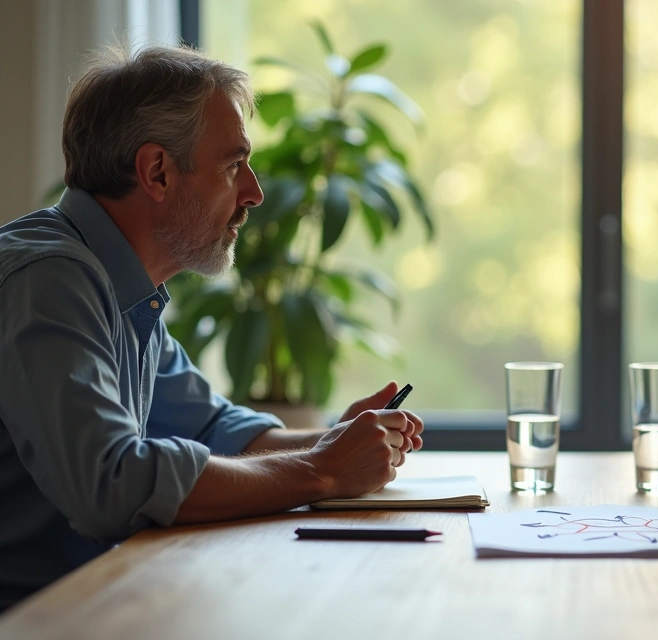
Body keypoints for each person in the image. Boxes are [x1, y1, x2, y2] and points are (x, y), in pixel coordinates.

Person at [0, 44, 424, 612]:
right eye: (233, 166)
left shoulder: (121, 286)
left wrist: (332, 442)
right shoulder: (49, 280)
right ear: (157, 172)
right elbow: (111, 483)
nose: (255, 193)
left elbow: (213, 428)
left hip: (86, 603)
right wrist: (321, 471)